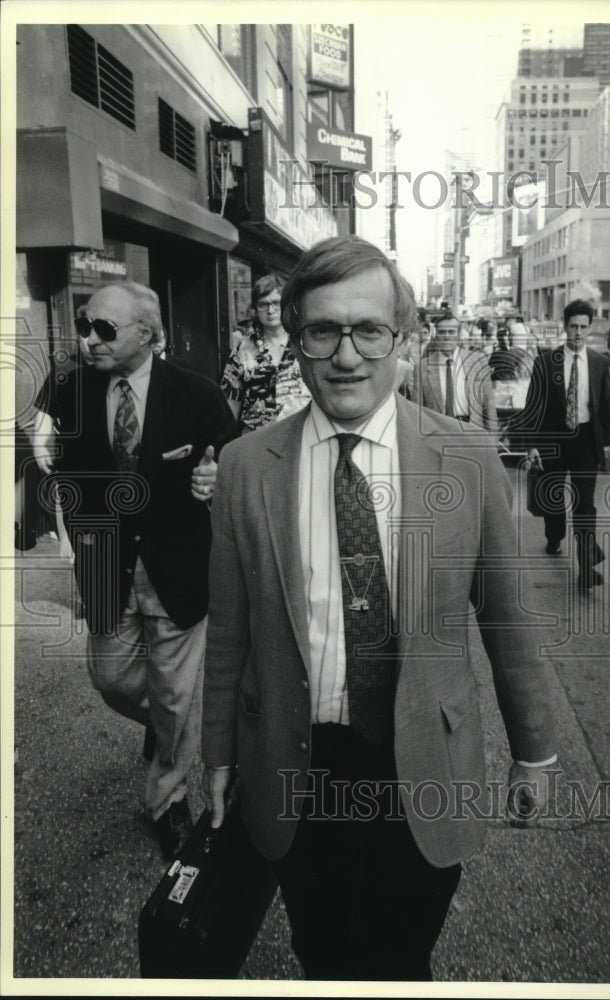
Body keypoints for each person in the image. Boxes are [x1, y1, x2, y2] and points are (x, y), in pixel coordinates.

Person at [201, 236, 556, 982]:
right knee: (322, 950)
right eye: (322, 330)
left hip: (422, 756)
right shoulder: (244, 467)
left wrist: (534, 751)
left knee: (401, 952)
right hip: (297, 759)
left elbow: (506, 619)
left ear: (404, 339)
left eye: (369, 330)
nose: (346, 354)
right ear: (294, 341)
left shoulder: (465, 458)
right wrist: (218, 756)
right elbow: (229, 628)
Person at [48, 281, 237, 858]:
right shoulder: (72, 393)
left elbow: (233, 459)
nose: (89, 339)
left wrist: (214, 480)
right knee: (111, 677)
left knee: (177, 694)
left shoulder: (197, 395)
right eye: (85, 324)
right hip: (108, 565)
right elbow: (66, 472)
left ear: (148, 335)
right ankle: (175, 734)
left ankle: (167, 799)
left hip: (177, 571)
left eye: (104, 329)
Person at [518, 299, 610, 589]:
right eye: (573, 326)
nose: (578, 333)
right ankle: (553, 536)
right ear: (564, 327)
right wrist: (531, 446)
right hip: (553, 442)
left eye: (584, 327)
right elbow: (532, 405)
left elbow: (605, 408)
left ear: (590, 328)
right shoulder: (546, 362)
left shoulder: (599, 363)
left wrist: (608, 443)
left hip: (585, 442)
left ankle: (586, 568)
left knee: (585, 506)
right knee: (554, 501)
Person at [220, 274, 311, 432]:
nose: (270, 310)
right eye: (263, 304)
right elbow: (231, 402)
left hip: (300, 434)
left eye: (276, 303)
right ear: (255, 309)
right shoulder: (242, 349)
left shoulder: (305, 343)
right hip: (255, 440)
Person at [414, 313, 498, 436]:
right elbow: (417, 410)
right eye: (442, 332)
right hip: (437, 436)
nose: (447, 336)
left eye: (451, 332)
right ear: (436, 336)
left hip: (472, 433)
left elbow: (489, 402)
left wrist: (493, 441)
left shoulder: (478, 361)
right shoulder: (422, 367)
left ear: (459, 335)